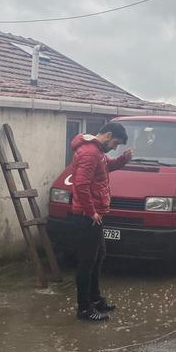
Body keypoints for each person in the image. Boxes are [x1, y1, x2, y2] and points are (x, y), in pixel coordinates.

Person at [69, 123, 132, 321]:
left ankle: (95, 300)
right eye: (115, 143)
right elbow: (81, 184)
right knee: (87, 262)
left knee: (98, 257)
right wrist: (91, 212)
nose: (114, 148)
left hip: (93, 215)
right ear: (108, 135)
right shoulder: (90, 152)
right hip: (87, 216)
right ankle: (84, 309)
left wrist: (122, 160)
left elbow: (106, 167)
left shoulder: (98, 152)